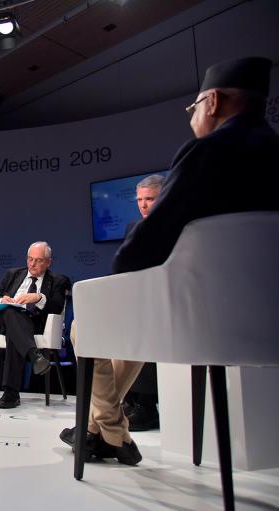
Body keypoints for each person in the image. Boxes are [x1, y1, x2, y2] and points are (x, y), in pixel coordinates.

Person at [61, 56, 279, 466]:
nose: (192, 116)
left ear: (211, 102)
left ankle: (108, 428)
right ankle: (105, 431)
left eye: (192, 107)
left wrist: (119, 284)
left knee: (85, 327)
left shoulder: (207, 152)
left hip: (205, 321)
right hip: (269, 320)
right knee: (124, 337)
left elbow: (145, 246)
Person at [0, 241, 69, 409]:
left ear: (48, 262)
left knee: (15, 334)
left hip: (33, 324)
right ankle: (35, 356)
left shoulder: (58, 280)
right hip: (4, 320)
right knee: (10, 312)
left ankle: (11, 394)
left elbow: (57, 306)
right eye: (30, 259)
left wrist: (38, 298)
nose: (32, 264)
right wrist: (2, 299)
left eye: (38, 260)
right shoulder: (13, 274)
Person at [121, 174, 166, 431]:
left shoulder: (176, 225)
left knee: (146, 325)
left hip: (164, 296)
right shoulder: (133, 227)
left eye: (149, 199)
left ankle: (147, 406)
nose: (143, 205)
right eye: (140, 199)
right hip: (137, 294)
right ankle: (129, 399)